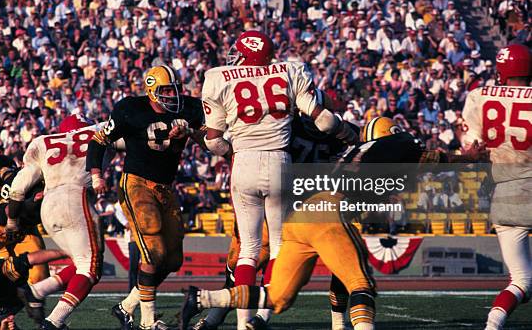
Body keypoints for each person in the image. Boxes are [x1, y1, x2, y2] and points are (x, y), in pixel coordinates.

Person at [180, 117, 488, 330]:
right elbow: (435, 159)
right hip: (331, 210)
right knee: (362, 284)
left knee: (279, 296)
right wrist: (469, 157)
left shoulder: (354, 150)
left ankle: (204, 298)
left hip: (301, 216)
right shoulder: (398, 143)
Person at [200, 30, 357, 329]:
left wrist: (234, 148)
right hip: (279, 162)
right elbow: (323, 120)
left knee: (248, 250)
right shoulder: (289, 70)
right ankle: (262, 316)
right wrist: (347, 133)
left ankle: (242, 320)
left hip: (244, 161)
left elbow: (213, 143)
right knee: (279, 247)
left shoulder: (219, 78)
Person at [86, 65, 205, 330]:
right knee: (154, 251)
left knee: (173, 259)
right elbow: (98, 140)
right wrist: (97, 176)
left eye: (175, 89)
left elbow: (210, 138)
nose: (172, 95)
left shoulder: (189, 108)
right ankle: (148, 321)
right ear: (151, 91)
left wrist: (192, 132)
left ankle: (126, 306)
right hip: (136, 183)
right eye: (165, 90)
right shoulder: (131, 108)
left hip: (165, 187)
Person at [6, 115, 117, 329]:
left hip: (49, 206)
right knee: (91, 267)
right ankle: (54, 322)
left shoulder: (42, 141)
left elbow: (18, 189)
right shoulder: (98, 131)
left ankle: (37, 291)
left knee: (81, 262)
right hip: (75, 198)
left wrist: (12, 220)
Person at [460, 44, 531, 330]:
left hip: (505, 196)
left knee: (522, 280)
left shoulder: (480, 96)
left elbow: (470, 151)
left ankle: (494, 321)